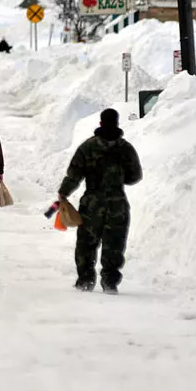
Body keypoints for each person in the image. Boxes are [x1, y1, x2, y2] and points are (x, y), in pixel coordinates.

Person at [58, 108, 142, 294]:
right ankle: (110, 281)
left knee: (86, 243)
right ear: (117, 122)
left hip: (92, 204)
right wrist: (119, 179)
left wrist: (63, 193)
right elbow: (135, 176)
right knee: (115, 243)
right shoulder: (125, 149)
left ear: (101, 123)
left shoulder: (88, 147)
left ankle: (85, 280)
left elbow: (74, 174)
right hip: (117, 204)